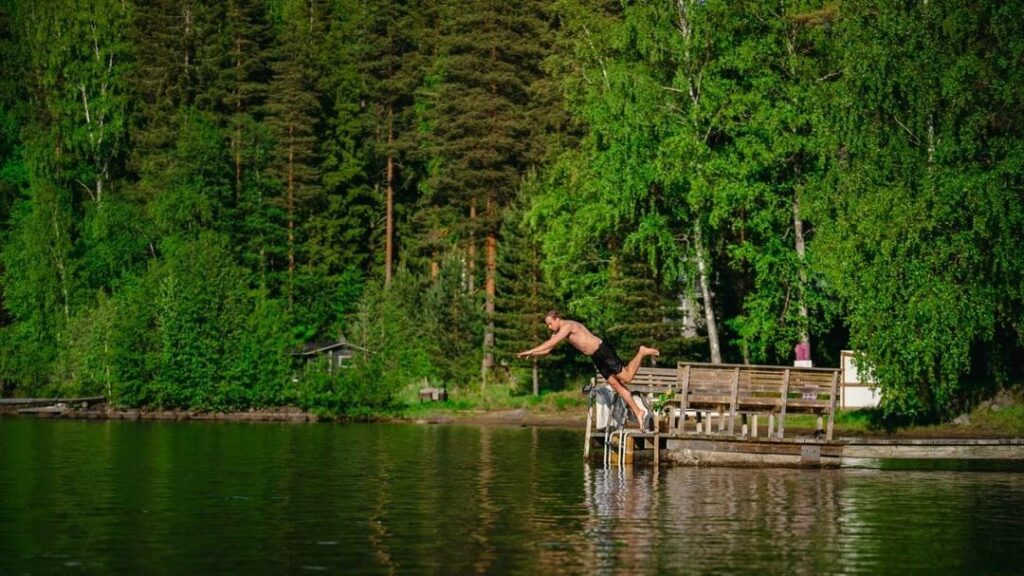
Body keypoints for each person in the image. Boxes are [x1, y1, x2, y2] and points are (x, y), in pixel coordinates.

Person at [517, 310, 660, 432]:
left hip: (602, 350)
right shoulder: (559, 332)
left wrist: (531, 349)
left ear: (557, 318)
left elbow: (551, 343)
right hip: (595, 356)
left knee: (627, 377)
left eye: (550, 323)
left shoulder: (568, 326)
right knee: (617, 386)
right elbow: (548, 349)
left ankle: (641, 352)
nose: (549, 327)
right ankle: (638, 411)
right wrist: (531, 354)